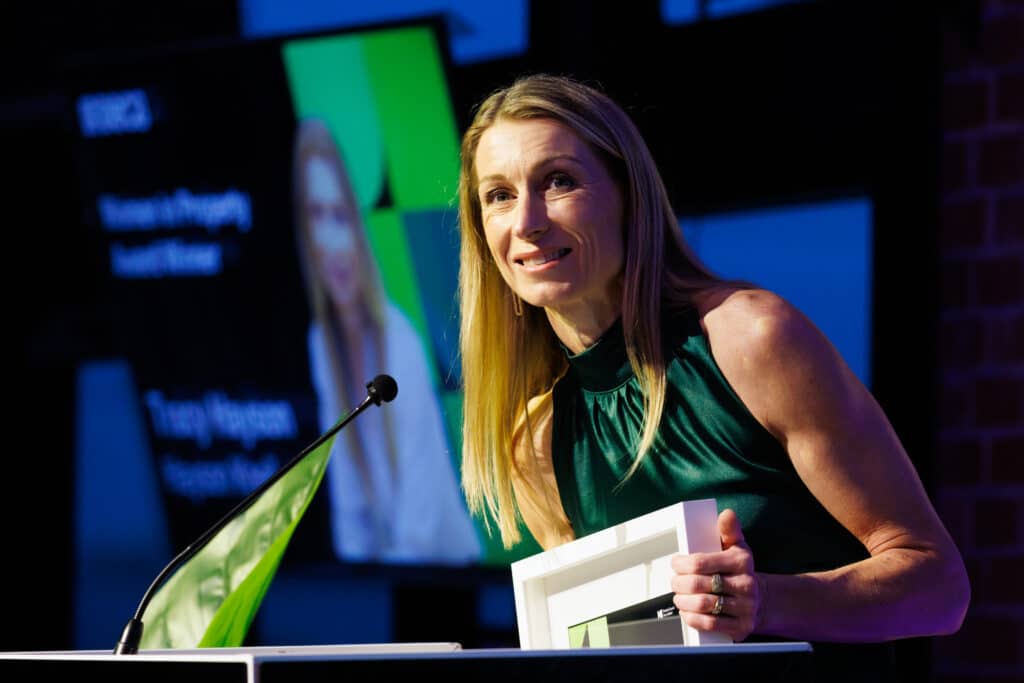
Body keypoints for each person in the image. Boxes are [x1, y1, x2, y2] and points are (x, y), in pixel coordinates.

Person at [456, 74, 968, 679]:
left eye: (558, 181)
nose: (528, 221)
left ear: (627, 193)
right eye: (499, 196)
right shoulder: (535, 442)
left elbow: (938, 587)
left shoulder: (749, 338)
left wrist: (767, 601)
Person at [292, 117, 480, 565]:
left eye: (338, 215)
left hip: (446, 571)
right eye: (315, 216)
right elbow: (348, 507)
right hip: (387, 572)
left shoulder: (400, 341)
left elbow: (421, 527)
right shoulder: (322, 343)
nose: (329, 240)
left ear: (357, 226)